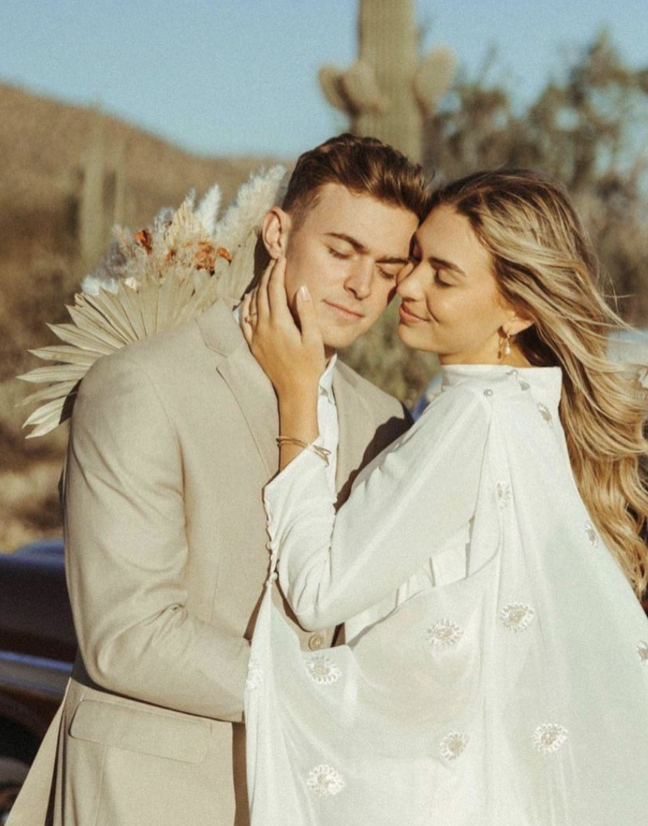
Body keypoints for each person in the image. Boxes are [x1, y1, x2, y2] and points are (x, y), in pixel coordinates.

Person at [241, 168, 648, 825]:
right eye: (414, 260)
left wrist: (297, 396)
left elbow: (320, 588)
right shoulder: (527, 411)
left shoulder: (472, 417)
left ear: (519, 309)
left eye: (443, 274)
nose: (406, 286)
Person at [8, 135, 429, 826]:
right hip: (152, 797)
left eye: (387, 267)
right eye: (341, 251)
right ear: (277, 231)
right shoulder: (142, 385)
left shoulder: (384, 421)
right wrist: (327, 694)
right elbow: (129, 636)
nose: (362, 287)